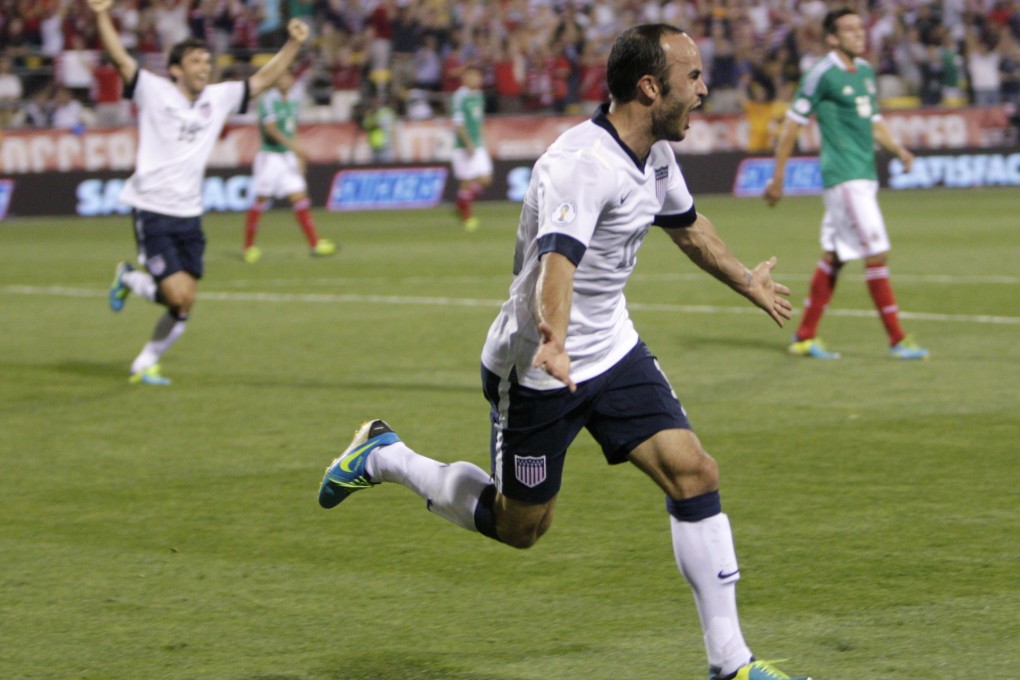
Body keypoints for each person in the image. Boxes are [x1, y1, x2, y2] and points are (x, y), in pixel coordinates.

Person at [319, 24, 811, 680]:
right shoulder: (582, 164)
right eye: (692, 77)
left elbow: (688, 227)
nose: (703, 88)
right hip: (538, 369)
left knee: (695, 472)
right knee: (522, 526)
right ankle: (385, 456)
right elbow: (558, 260)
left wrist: (745, 278)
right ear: (648, 87)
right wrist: (552, 339)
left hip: (613, 350)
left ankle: (732, 664)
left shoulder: (654, 154)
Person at [94, 0, 310, 385]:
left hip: (190, 213)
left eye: (207, 61)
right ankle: (140, 342)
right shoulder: (154, 91)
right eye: (195, 61)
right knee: (176, 296)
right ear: (176, 69)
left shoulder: (219, 97)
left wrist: (292, 45)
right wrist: (100, 16)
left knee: (183, 301)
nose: (204, 67)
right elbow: (120, 59)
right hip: (152, 209)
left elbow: (261, 79)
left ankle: (140, 336)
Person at [764, 7, 929, 361]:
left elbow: (874, 120)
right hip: (844, 178)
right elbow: (792, 125)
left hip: (864, 175)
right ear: (832, 38)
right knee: (877, 252)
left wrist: (899, 149)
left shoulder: (866, 72)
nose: (860, 34)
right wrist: (777, 178)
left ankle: (805, 337)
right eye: (850, 30)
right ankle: (898, 339)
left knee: (836, 256)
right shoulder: (821, 74)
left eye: (860, 28)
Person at [242, 67, 336, 264]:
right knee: (261, 199)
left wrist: (298, 154)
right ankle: (249, 247)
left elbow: (291, 130)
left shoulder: (294, 100)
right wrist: (297, 149)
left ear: (293, 80)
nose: (284, 81)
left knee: (299, 197)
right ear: (275, 81)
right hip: (270, 156)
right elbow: (271, 130)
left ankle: (315, 244)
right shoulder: (268, 100)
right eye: (280, 77)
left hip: (287, 156)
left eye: (287, 77)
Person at [449, 63, 491, 232]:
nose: (473, 78)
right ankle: (466, 217)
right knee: (466, 181)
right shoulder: (460, 96)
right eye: (469, 75)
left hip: (477, 144)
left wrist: (483, 139)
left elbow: (479, 120)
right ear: (464, 78)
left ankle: (461, 203)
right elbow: (458, 123)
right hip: (463, 146)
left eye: (476, 75)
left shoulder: (479, 95)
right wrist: (468, 143)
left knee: (485, 178)